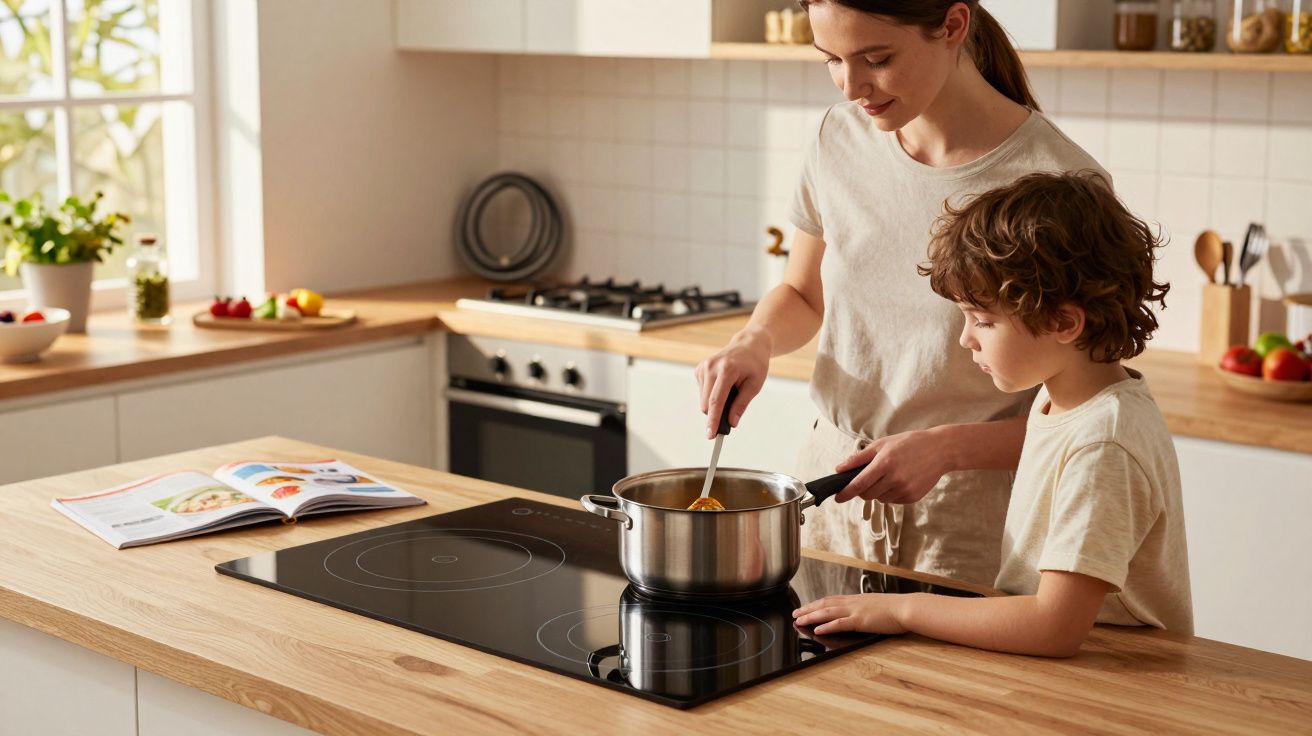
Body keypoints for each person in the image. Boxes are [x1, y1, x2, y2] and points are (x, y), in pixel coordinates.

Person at [695, 0, 1106, 587]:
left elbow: (1087, 414)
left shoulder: (1058, 183)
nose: (852, 86)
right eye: (832, 59)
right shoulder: (838, 137)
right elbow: (802, 293)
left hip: (968, 520)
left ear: (953, 26)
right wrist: (753, 342)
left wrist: (944, 450)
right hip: (828, 498)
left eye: (877, 58)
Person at [793, 171, 1193, 655]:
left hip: (1119, 677)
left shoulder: (1103, 443)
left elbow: (1053, 627)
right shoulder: (1065, 403)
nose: (966, 339)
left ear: (1064, 322)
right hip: (1080, 668)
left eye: (983, 320)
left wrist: (901, 610)